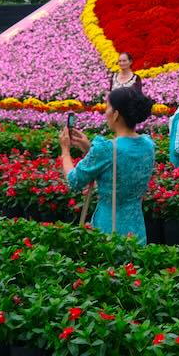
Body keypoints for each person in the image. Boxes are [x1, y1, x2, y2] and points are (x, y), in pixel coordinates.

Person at [60, 87, 156, 244]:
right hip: (136, 228)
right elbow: (118, 163)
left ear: (116, 114)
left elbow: (74, 180)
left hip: (109, 228)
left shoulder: (106, 149)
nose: (105, 112)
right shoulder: (148, 144)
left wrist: (65, 151)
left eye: (107, 107)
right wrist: (89, 149)